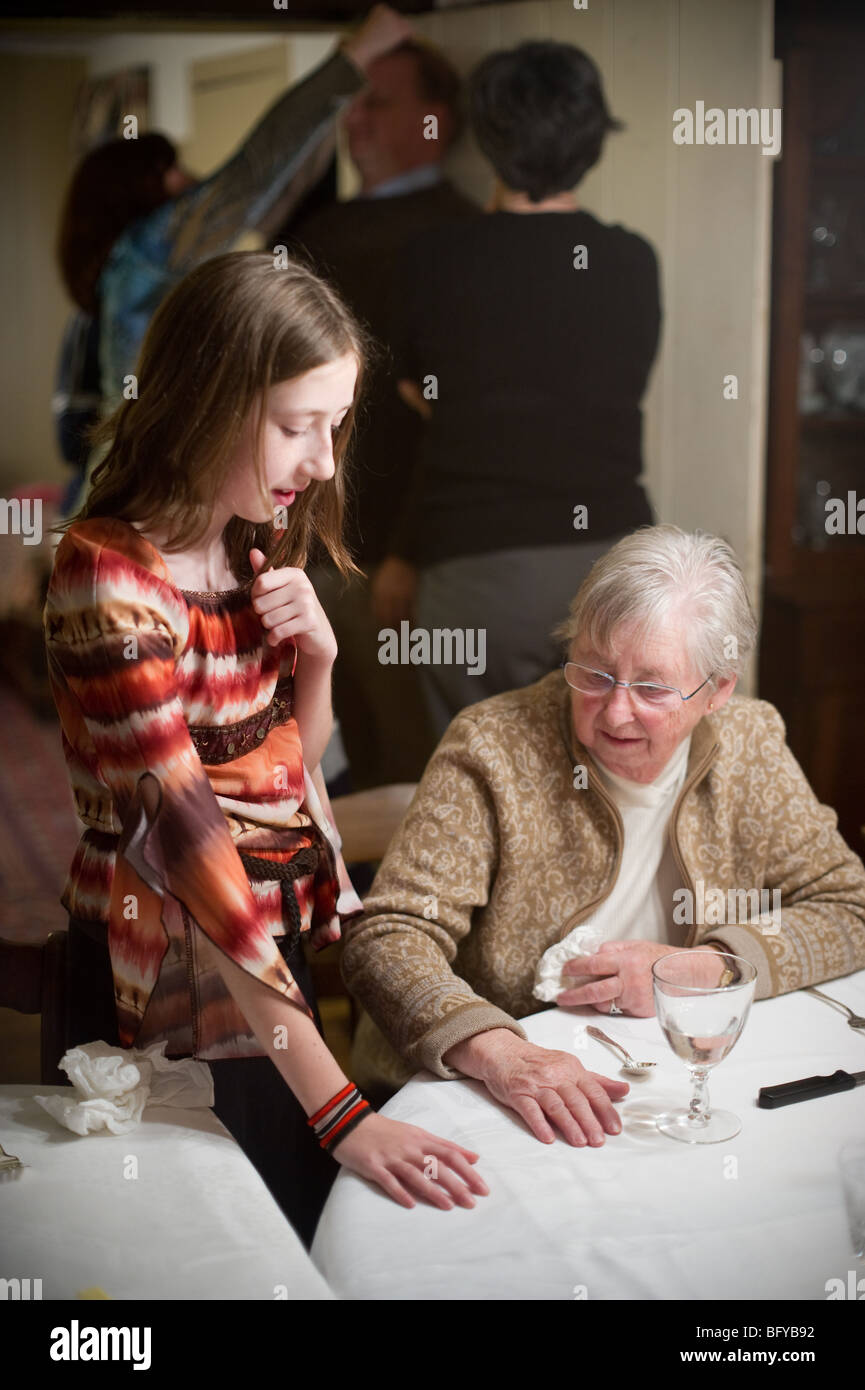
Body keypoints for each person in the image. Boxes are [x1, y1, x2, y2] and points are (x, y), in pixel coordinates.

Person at [43, 251, 488, 1247]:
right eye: (299, 426)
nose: (325, 461)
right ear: (209, 404)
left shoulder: (252, 542)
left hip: (263, 968)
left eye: (335, 425)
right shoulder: (107, 578)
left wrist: (318, 661)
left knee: (294, 1240)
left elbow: (288, 777)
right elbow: (198, 863)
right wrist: (339, 1110)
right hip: (159, 980)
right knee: (195, 1260)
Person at [341, 526, 865, 1142]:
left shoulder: (750, 743)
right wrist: (499, 1052)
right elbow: (387, 935)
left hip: (671, 1084)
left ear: (718, 690)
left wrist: (706, 967)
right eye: (593, 673)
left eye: (651, 687)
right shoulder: (492, 746)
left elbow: (848, 908)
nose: (616, 712)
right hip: (488, 1094)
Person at [376, 40, 662, 736]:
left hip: (476, 566)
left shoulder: (434, 259)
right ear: (590, 140)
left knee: (479, 798)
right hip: (616, 566)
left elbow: (415, 397)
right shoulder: (630, 260)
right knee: (608, 789)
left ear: (487, 135)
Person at [285, 37, 478, 788]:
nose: (356, 120)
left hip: (394, 563)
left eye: (378, 101)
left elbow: (453, 417)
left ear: (435, 120)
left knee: (410, 764)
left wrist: (406, 550)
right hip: (307, 541)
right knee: (323, 761)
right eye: (352, 103)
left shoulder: (460, 237)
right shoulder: (321, 228)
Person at [91, 5, 414, 415]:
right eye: (166, 169)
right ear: (130, 192)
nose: (186, 177)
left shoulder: (138, 268)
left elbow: (281, 184)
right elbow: (255, 172)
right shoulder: (151, 250)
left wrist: (343, 83)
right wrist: (355, 55)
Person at [54, 133, 191, 517]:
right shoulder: (103, 320)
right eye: (170, 170)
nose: (187, 178)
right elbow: (70, 438)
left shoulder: (116, 307)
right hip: (103, 504)